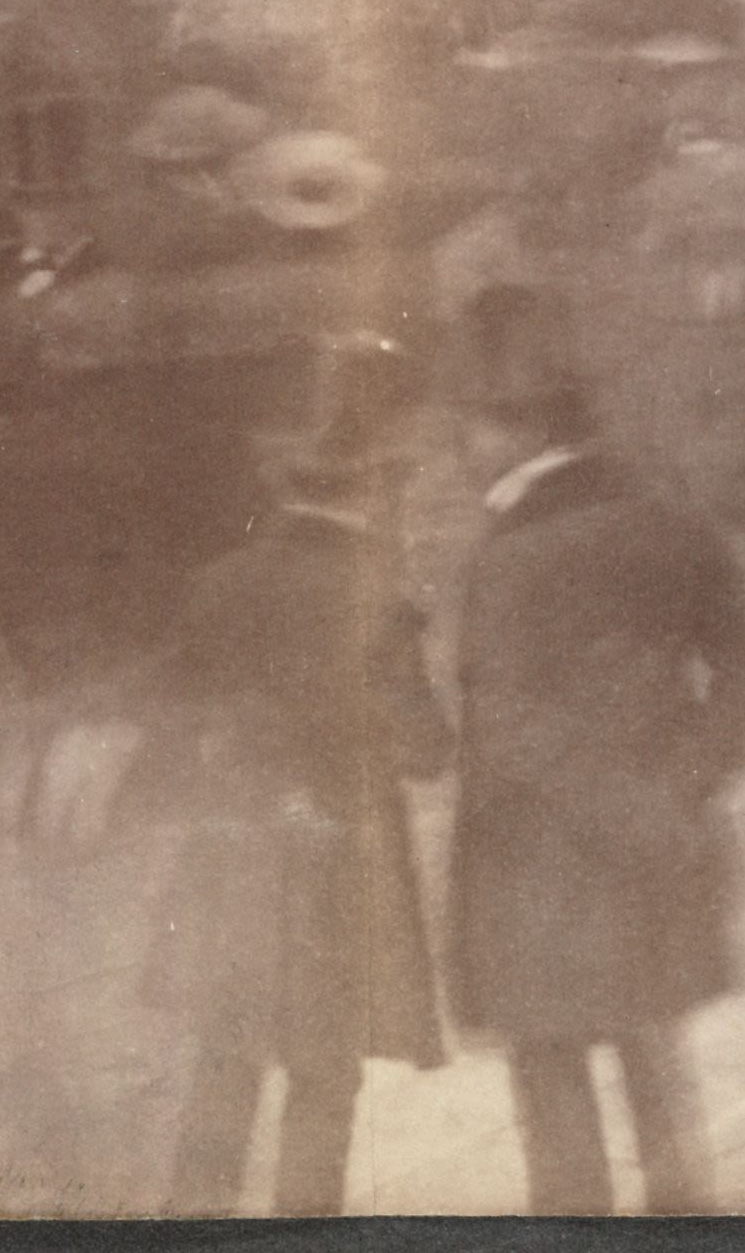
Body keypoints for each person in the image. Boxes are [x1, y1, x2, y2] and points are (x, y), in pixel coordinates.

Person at [446, 286, 745, 1216]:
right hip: (660, 853)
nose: (460, 450)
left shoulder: (506, 559)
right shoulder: (664, 515)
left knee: (554, 1093)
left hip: (541, 879)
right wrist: (682, 790)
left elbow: (508, 730)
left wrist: (617, 811)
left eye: (470, 425)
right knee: (658, 1064)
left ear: (517, 426)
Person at [144, 347, 450, 1216]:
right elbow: (425, 750)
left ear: (289, 488)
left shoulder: (218, 583)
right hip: (337, 870)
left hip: (231, 860)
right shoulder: (379, 594)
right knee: (323, 1077)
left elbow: (167, 716)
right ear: (370, 490)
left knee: (225, 1063)